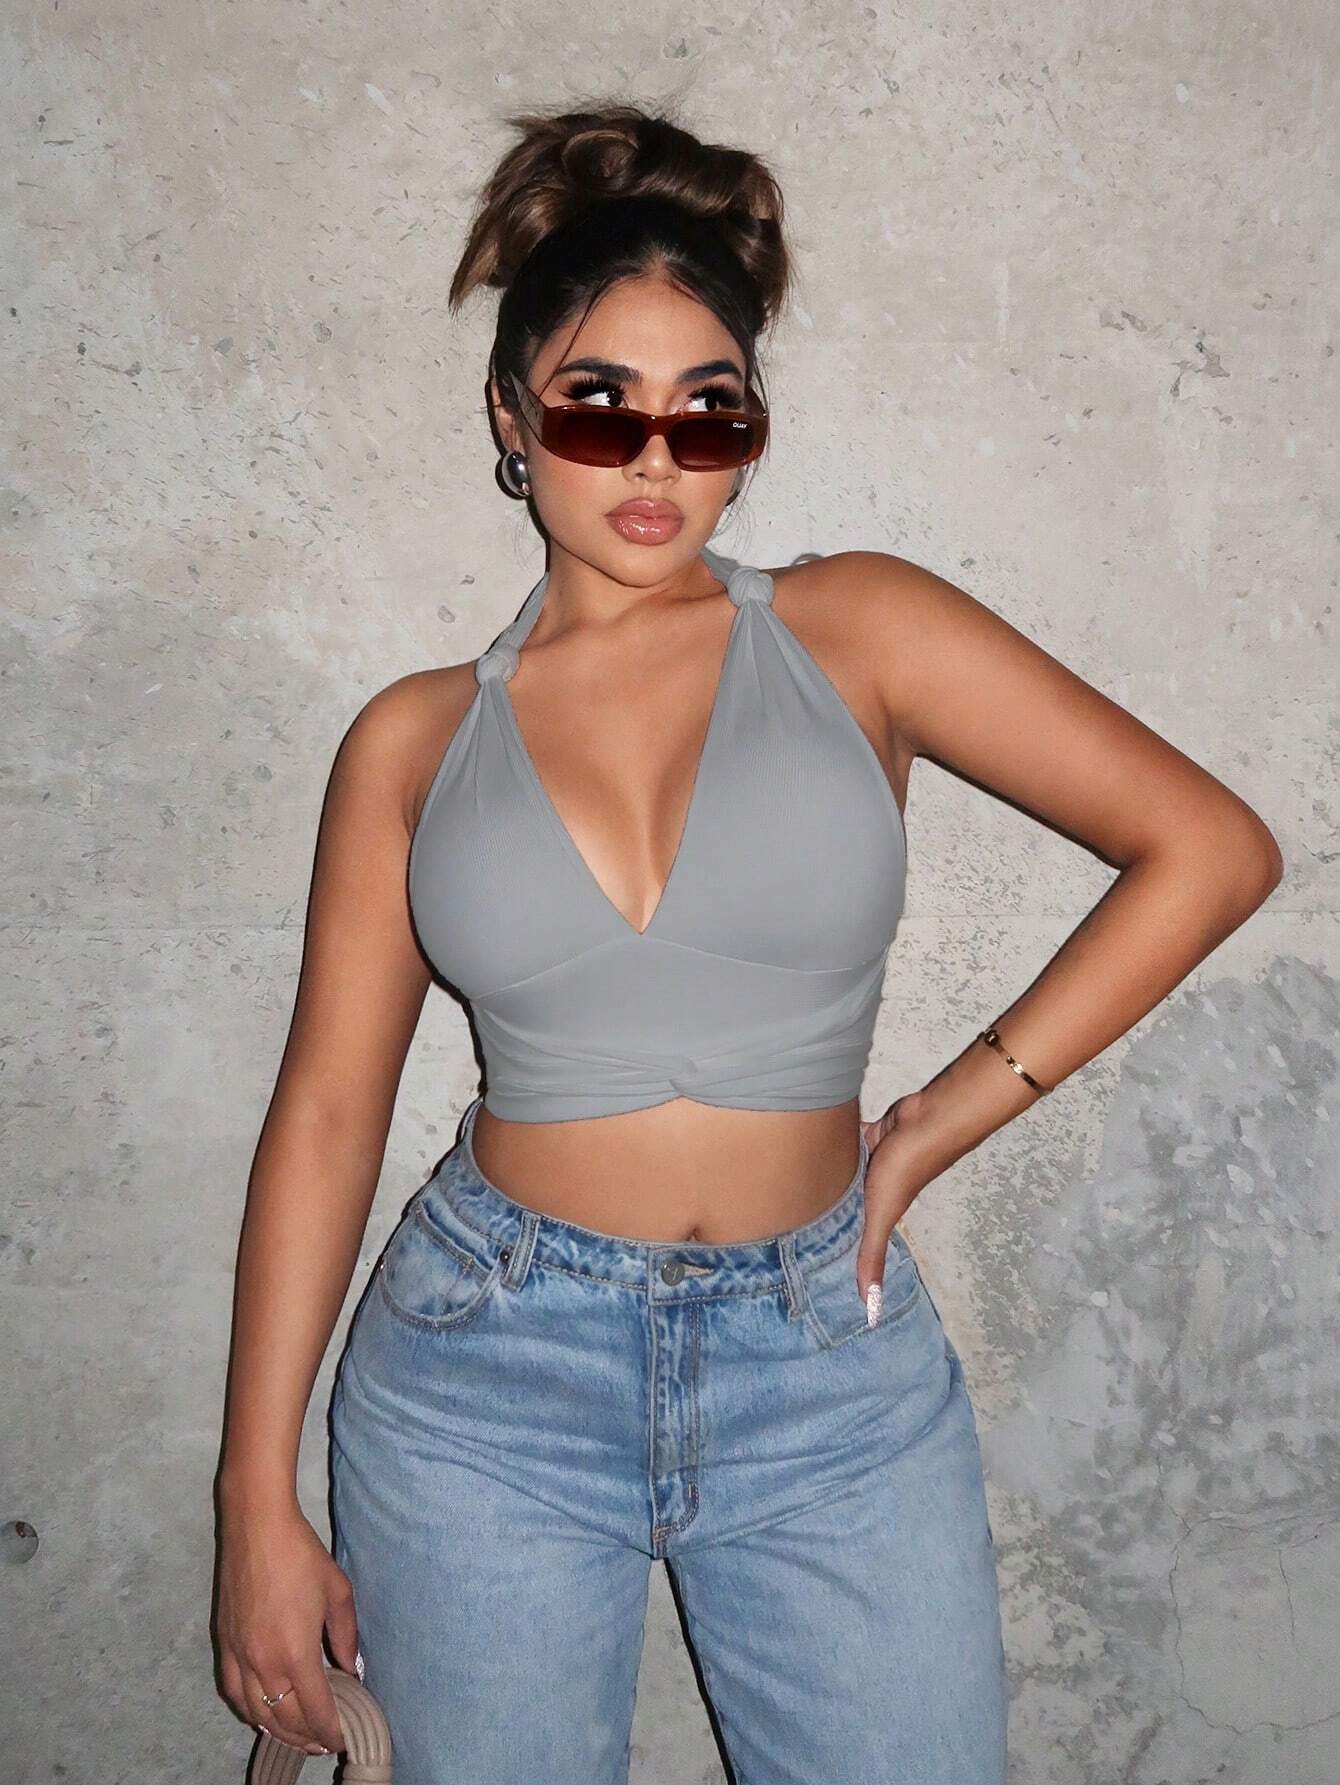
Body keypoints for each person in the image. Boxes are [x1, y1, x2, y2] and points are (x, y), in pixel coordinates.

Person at [212, 98, 1283, 1784]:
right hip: (486, 1369)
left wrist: (936, 1118)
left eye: (709, 411)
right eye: (600, 403)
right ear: (511, 414)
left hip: (823, 1365)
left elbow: (1211, 849)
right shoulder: (412, 741)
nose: (657, 458)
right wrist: (251, 1500)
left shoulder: (863, 628)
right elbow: (330, 1113)